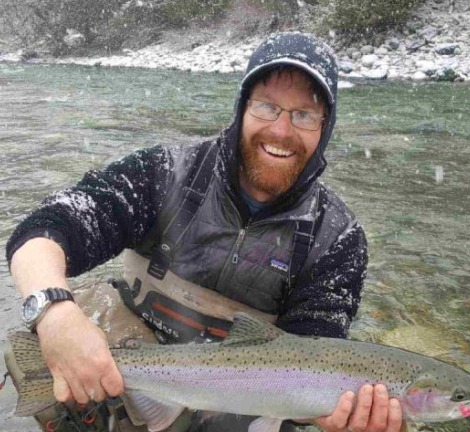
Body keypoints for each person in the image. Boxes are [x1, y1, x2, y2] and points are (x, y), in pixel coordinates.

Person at [6, 32, 404, 432]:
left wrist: (333, 413)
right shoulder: (164, 173)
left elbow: (313, 364)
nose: (282, 131)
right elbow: (45, 228)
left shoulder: (338, 240)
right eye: (267, 107)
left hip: (240, 399)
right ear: (242, 109)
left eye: (304, 115)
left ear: (325, 128)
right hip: (125, 354)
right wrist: (53, 312)